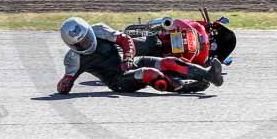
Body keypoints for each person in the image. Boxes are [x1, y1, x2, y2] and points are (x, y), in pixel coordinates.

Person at [56, 17, 223, 95]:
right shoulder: (73, 59)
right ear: (71, 45)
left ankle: (208, 74)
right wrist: (64, 85)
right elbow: (65, 84)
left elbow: (125, 39)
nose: (86, 44)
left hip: (131, 62)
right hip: (119, 80)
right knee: (149, 73)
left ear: (89, 30)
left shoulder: (99, 30)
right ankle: (186, 87)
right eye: (80, 44)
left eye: (87, 38)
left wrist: (128, 58)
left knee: (168, 62)